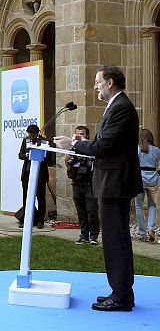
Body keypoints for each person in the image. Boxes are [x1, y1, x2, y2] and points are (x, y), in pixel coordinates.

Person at [55, 65, 142, 311]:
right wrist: (78, 144)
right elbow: (101, 144)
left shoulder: (121, 107)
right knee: (115, 239)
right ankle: (120, 291)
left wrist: (73, 143)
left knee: (116, 240)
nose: (95, 86)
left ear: (110, 82)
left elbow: (102, 147)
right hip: (111, 183)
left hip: (115, 185)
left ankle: (122, 296)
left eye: (97, 81)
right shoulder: (115, 106)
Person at [65, 125, 99, 245]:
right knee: (81, 211)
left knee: (92, 210)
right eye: (77, 134)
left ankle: (94, 236)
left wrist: (83, 159)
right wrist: (72, 159)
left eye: (82, 134)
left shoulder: (91, 147)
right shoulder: (72, 147)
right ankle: (84, 234)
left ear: (87, 135)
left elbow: (94, 162)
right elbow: (68, 163)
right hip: (76, 182)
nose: (79, 136)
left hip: (89, 183)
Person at [17, 124, 47, 229]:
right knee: (26, 197)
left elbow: (48, 158)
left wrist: (38, 155)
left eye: (32, 134)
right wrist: (26, 155)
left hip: (40, 174)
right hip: (27, 172)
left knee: (40, 197)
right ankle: (26, 219)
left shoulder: (43, 141)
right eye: (29, 134)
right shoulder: (26, 141)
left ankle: (40, 220)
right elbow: (20, 154)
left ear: (37, 133)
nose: (31, 136)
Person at [134, 128, 160, 242]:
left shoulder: (137, 150)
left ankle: (142, 232)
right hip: (153, 178)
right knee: (152, 204)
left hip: (140, 178)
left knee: (138, 206)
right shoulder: (157, 150)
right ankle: (151, 227)